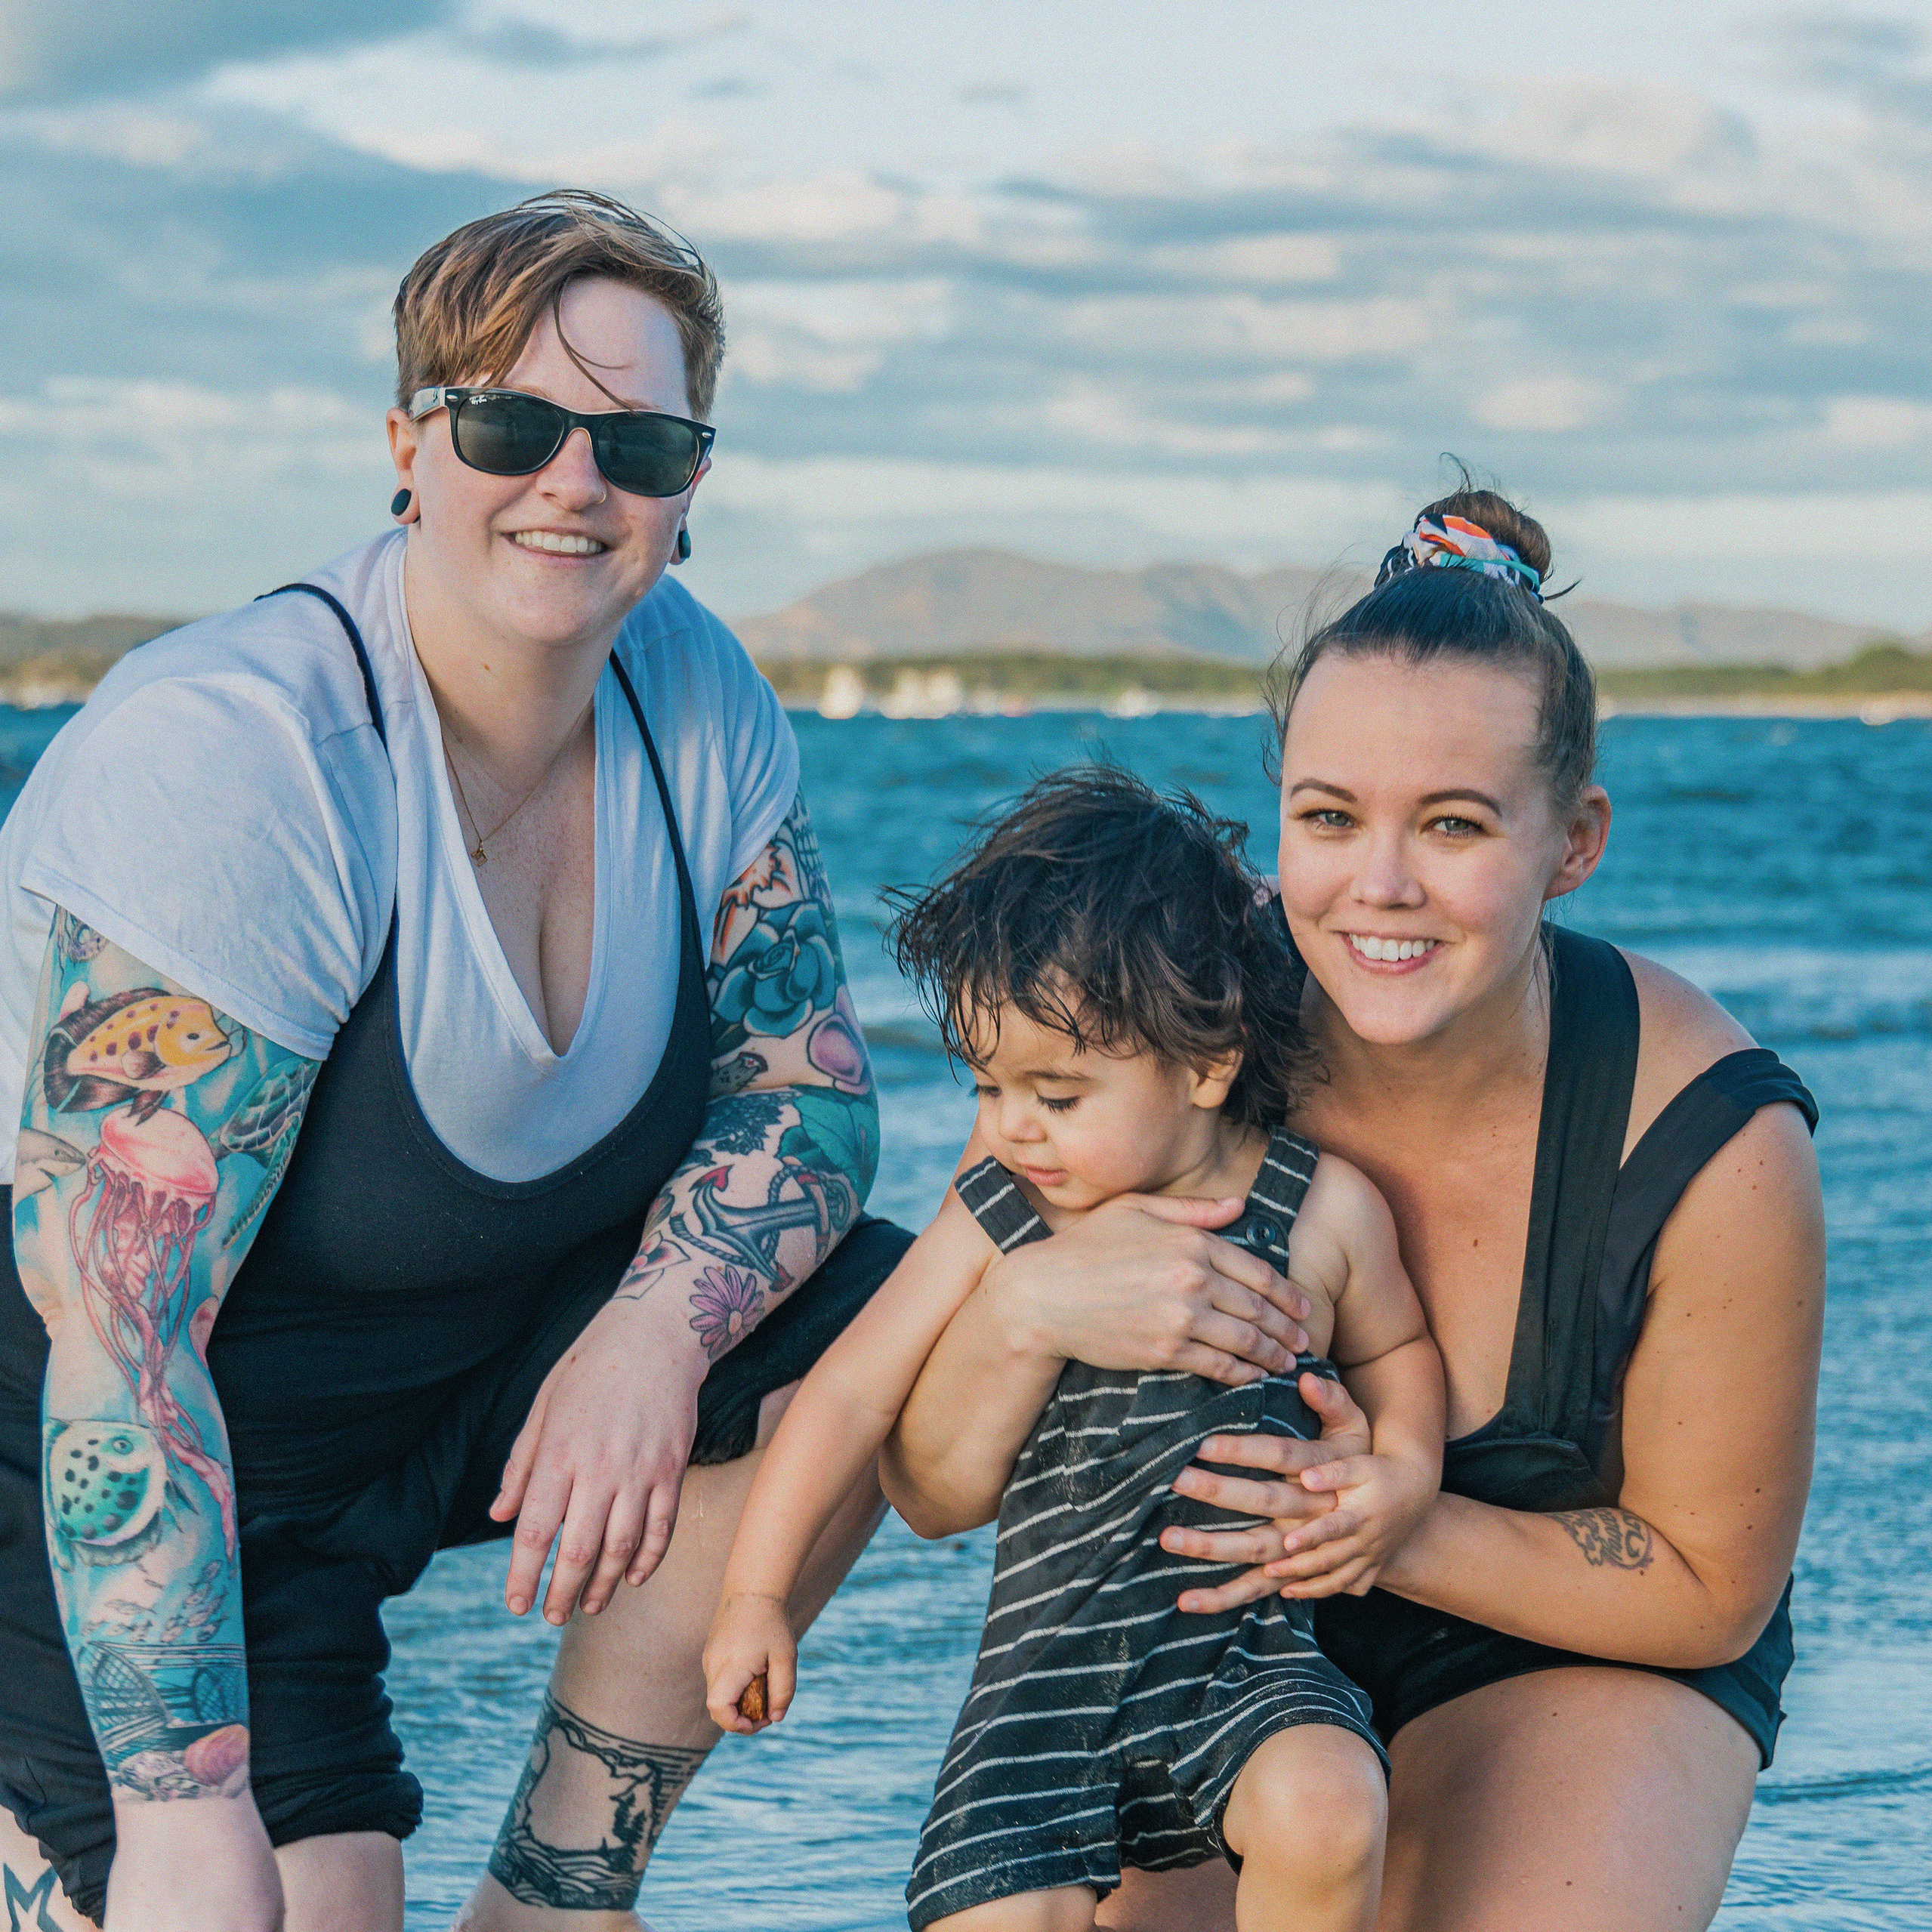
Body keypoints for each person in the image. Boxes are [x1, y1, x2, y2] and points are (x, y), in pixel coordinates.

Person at [0, 190, 911, 1932]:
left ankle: (558, 1902)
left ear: (690, 483)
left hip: (353, 1468)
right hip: (73, 1486)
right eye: (511, 425)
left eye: (637, 440)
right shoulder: (248, 757)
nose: (576, 481)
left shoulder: (694, 697)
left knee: (872, 1320)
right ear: (411, 443)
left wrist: (658, 1328)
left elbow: (810, 1096)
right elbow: (120, 1339)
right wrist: (188, 1833)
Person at [879, 490, 1824, 1932]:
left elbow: (1704, 1590)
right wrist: (1022, 1310)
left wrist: (1394, 1520)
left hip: (1571, 1642)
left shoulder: (1709, 1138)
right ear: (1277, 824)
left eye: (1453, 823)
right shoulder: (1156, 1023)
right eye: (1328, 817)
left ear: (1573, 840)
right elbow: (932, 1489)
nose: (1379, 887)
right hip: (1209, 1652)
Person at [702, 770, 1444, 1932]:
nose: (1007, 1126)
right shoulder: (1003, 1214)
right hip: (1040, 1689)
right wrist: (757, 1594)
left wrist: (1402, 1468)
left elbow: (1397, 1344)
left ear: (1205, 1061)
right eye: (989, 1084)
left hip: (1241, 1664)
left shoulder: (1320, 1211)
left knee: (1328, 1800)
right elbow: (848, 1391)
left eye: (1055, 1091)